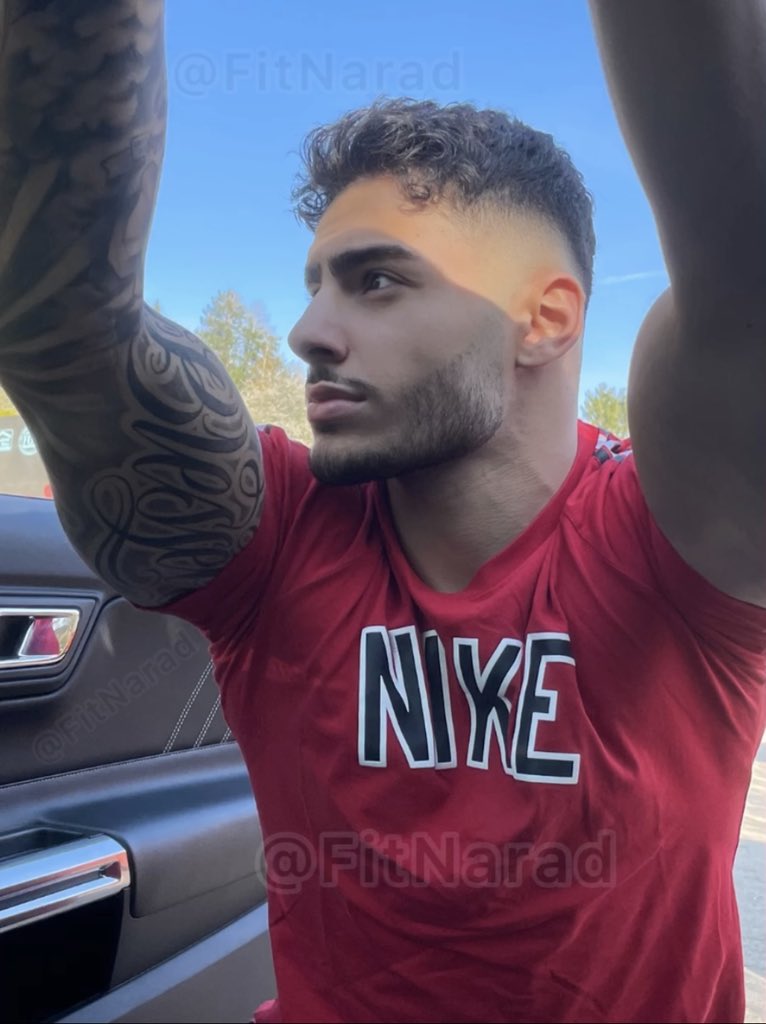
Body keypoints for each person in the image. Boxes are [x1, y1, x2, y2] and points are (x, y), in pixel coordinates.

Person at [0, 2, 764, 1022]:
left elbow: (743, 264)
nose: (309, 332)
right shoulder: (278, 535)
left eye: (377, 281)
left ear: (544, 319)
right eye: (316, 285)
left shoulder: (679, 534)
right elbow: (62, 327)